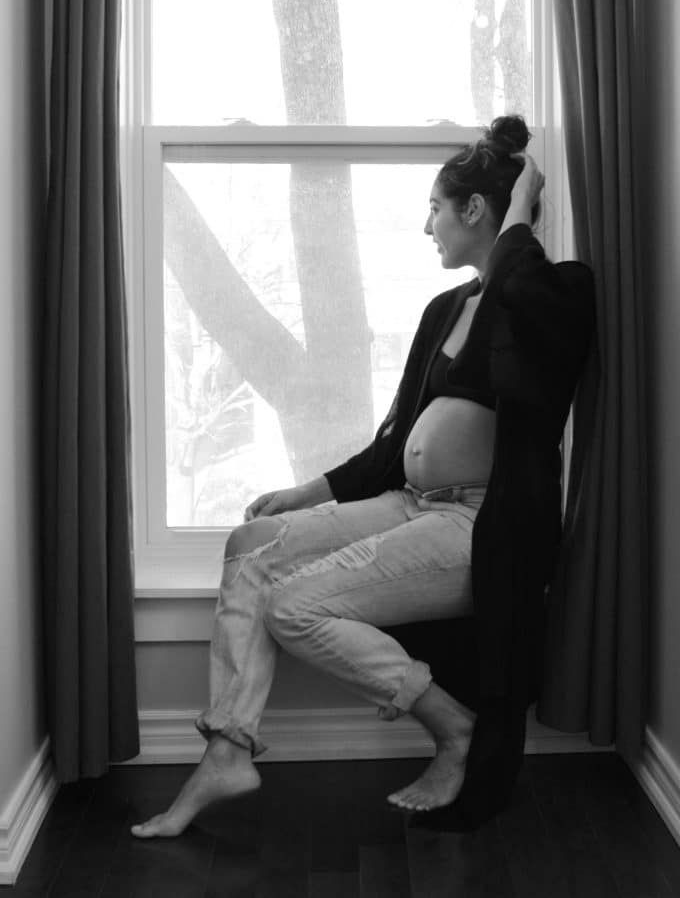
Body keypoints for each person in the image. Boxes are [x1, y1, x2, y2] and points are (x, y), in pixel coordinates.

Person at [131, 114, 595, 839]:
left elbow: (524, 312)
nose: (427, 226)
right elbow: (391, 446)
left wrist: (519, 218)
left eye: (436, 209)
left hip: (479, 523)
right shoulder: (445, 309)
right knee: (250, 543)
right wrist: (304, 493)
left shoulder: (552, 290)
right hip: (410, 503)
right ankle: (226, 750)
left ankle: (453, 728)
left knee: (291, 607)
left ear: (478, 210)